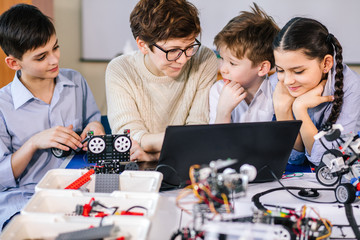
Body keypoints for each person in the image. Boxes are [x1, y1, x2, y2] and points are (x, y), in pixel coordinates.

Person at [0, 4, 104, 229]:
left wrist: (95, 128)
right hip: (24, 199)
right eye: (41, 57)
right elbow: (1, 177)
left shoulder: (75, 82)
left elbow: (93, 121)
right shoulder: (2, 106)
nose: (55, 60)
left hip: (79, 190)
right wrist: (34, 143)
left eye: (55, 48)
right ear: (13, 62)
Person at [105, 0, 218, 162]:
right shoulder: (121, 70)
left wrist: (154, 154)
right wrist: (182, 141)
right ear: (143, 45)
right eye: (172, 51)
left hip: (188, 163)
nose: (183, 59)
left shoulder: (204, 59)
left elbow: (197, 132)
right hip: (138, 168)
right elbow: (129, 139)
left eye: (190, 46)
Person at [272, 17, 360, 166]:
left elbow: (329, 161)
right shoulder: (280, 82)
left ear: (326, 63)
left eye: (298, 71)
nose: (287, 80)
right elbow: (293, 158)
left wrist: (300, 109)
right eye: (280, 70)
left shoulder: (351, 87)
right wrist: (282, 111)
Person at [209, 3, 279, 124]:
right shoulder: (218, 91)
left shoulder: (276, 92)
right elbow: (218, 141)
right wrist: (223, 111)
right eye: (222, 59)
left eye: (232, 63)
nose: (223, 69)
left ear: (262, 68)